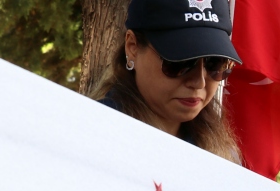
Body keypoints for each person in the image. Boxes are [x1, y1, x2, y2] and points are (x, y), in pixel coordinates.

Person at [94, 0, 242, 163]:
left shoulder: (223, 157)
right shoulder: (92, 135)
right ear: (132, 47)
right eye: (180, 62)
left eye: (216, 63)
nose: (199, 82)